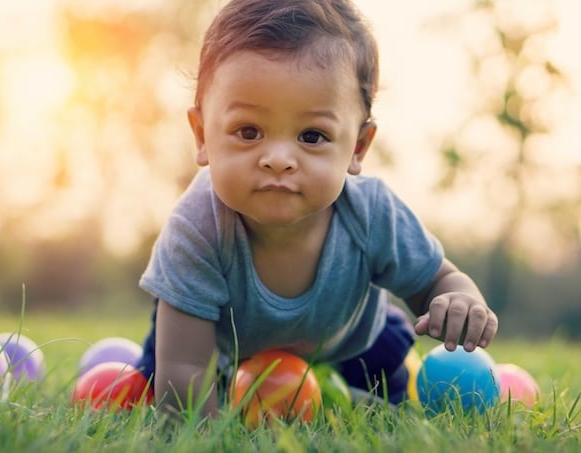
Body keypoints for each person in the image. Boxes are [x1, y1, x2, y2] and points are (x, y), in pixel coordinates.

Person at [136, 0, 498, 416]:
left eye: (311, 136)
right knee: (162, 385)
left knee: (389, 393)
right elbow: (184, 367)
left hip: (350, 342)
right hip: (218, 349)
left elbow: (436, 280)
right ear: (202, 135)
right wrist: (209, 433)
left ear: (357, 147)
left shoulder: (372, 214)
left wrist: (459, 300)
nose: (278, 158)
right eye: (248, 131)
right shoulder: (197, 228)